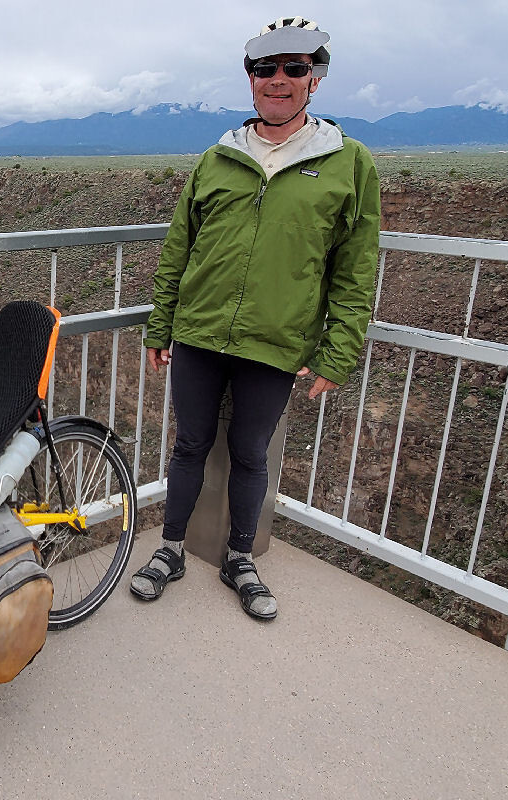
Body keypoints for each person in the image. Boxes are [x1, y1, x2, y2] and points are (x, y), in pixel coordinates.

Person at [130, 16, 380, 620]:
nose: (279, 79)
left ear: (314, 79)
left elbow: (355, 267)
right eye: (265, 67)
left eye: (295, 67)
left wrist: (338, 350)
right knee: (189, 444)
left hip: (275, 340)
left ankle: (241, 558)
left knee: (250, 451)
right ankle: (170, 550)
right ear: (250, 78)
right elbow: (179, 248)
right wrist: (160, 325)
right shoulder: (218, 158)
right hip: (200, 330)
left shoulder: (348, 162)